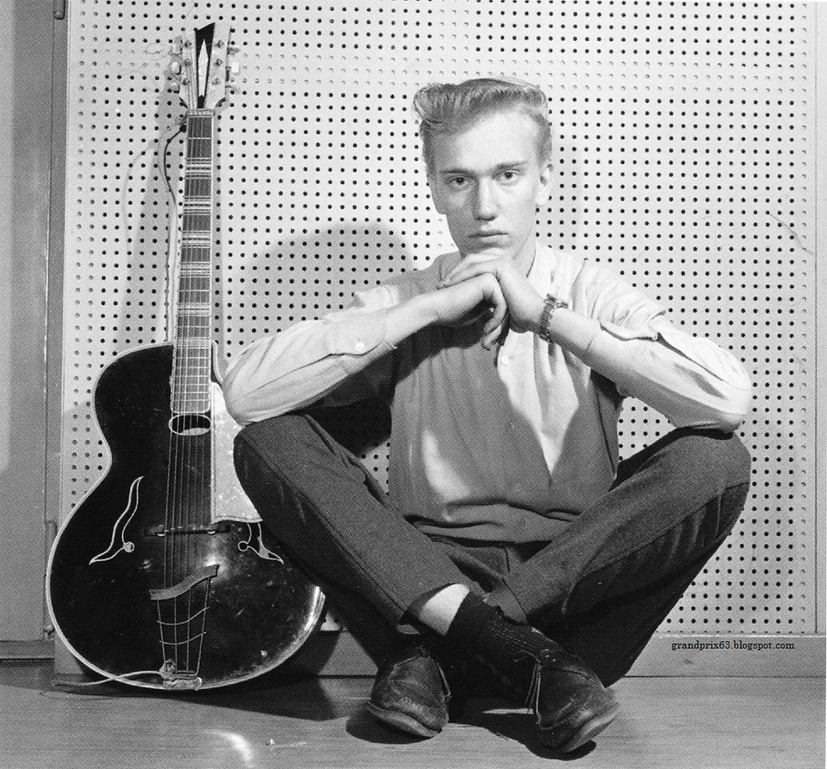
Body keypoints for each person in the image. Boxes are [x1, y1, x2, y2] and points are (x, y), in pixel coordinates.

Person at [223, 77, 752, 754]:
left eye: (507, 175)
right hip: (422, 584)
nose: (483, 206)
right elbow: (246, 396)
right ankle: (517, 655)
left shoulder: (586, 291)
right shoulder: (410, 297)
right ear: (434, 189)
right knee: (270, 441)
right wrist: (425, 310)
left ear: (544, 180)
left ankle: (467, 647)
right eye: (459, 180)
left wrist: (548, 317)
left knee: (715, 459)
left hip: (567, 591)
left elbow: (724, 399)